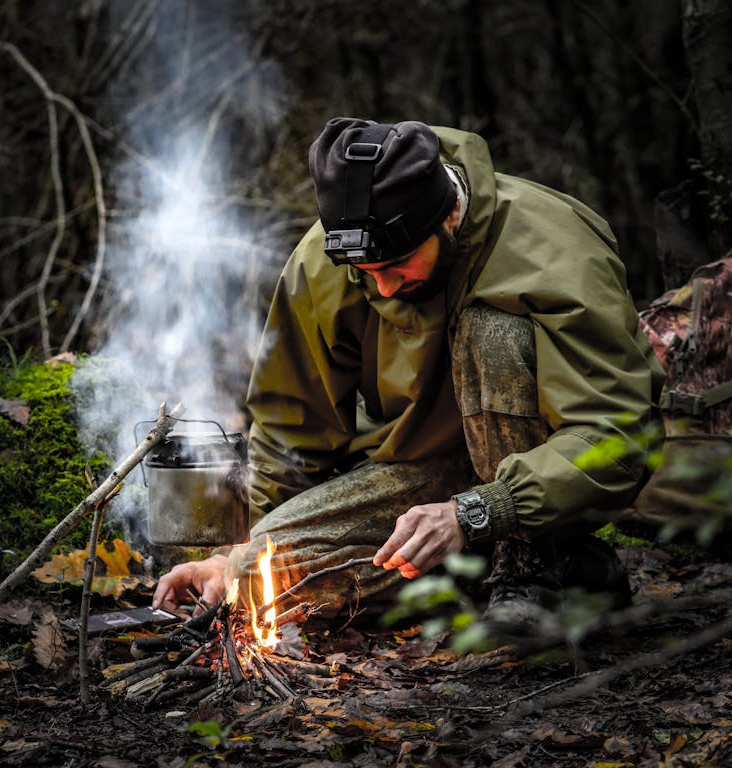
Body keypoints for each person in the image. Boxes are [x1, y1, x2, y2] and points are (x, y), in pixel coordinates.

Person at [153, 117, 664, 632]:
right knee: (257, 578)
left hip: (530, 475)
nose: (386, 287)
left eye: (398, 265)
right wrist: (230, 556)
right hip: (419, 471)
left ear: (447, 218)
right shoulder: (332, 258)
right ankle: (560, 576)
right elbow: (291, 427)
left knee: (495, 330)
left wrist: (478, 512)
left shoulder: (553, 247)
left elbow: (615, 435)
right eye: (366, 274)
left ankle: (536, 569)